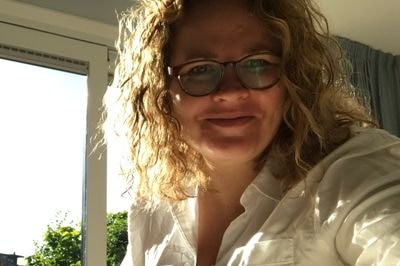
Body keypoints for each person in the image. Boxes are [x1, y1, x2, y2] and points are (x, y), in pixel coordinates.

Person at [103, 0, 400, 265]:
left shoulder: (353, 173)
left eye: (258, 64)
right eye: (199, 69)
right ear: (161, 90)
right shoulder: (153, 203)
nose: (231, 92)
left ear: (292, 80)